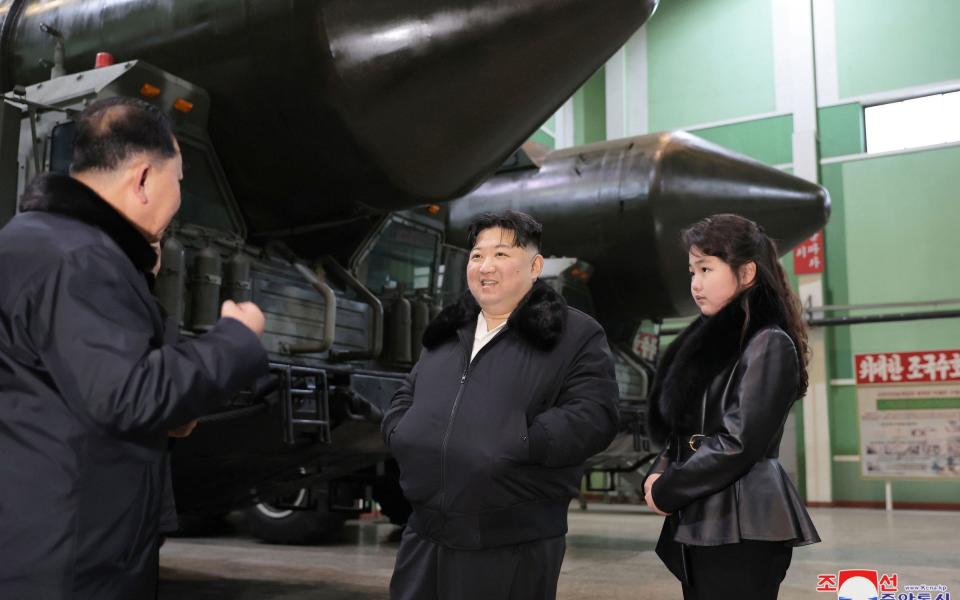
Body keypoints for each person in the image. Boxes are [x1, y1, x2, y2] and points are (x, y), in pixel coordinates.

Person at [0, 96, 269, 599]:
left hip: (44, 536)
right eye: (179, 180)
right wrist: (234, 340)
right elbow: (126, 394)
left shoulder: (39, 242)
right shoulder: (79, 258)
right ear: (144, 178)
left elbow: (67, 390)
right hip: (70, 559)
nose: (179, 196)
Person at [381, 210, 619, 600]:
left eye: (502, 255)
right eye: (477, 255)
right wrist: (400, 431)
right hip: (425, 532)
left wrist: (520, 442)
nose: (485, 266)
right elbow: (407, 392)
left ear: (535, 265)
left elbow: (595, 415)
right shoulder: (446, 332)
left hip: (512, 541)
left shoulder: (575, 334)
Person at [642, 213, 820, 600]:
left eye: (706, 268)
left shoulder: (768, 343)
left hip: (743, 521)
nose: (695, 283)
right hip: (702, 514)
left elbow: (738, 442)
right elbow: (684, 427)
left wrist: (668, 489)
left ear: (747, 272)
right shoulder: (712, 343)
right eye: (692, 270)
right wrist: (658, 473)